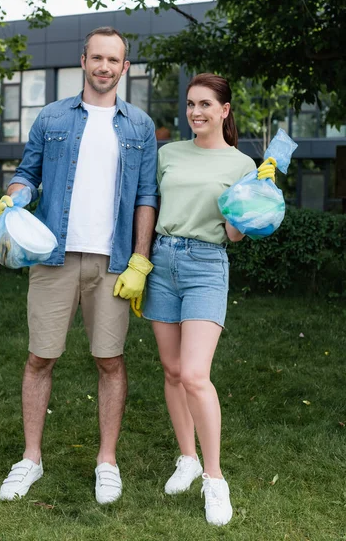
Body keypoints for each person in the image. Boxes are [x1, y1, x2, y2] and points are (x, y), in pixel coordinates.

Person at [0, 27, 158, 504]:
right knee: (40, 357)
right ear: (83, 60)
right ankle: (30, 459)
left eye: (115, 60)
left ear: (125, 68)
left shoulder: (139, 126)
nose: (105, 67)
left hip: (112, 262)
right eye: (97, 58)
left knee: (109, 360)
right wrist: (15, 199)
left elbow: (147, 195)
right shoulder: (51, 116)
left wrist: (140, 259)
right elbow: (28, 175)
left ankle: (107, 460)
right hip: (53, 256)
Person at [142, 73, 275, 526]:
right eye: (191, 104)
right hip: (162, 263)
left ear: (224, 110)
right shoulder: (168, 154)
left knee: (196, 374)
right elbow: (151, 206)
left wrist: (259, 202)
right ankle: (187, 458)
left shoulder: (242, 165)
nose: (196, 112)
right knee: (173, 371)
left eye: (205, 105)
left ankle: (214, 478)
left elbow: (235, 234)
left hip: (206, 265)